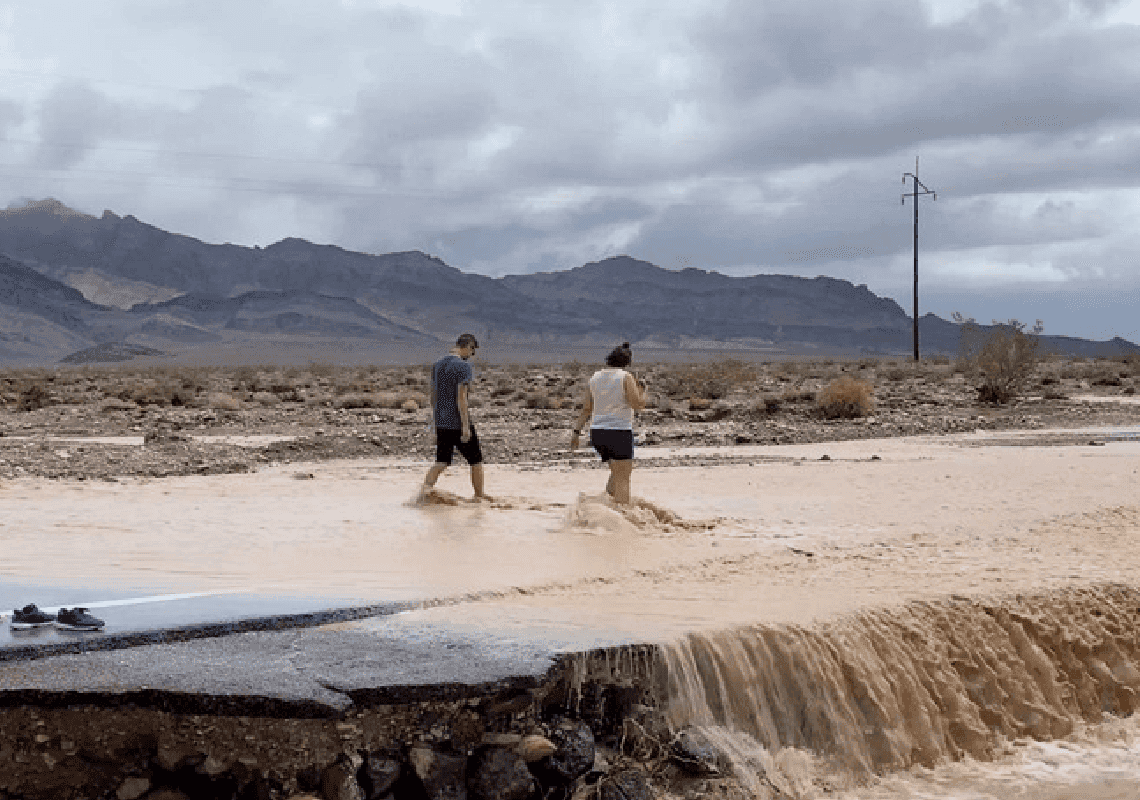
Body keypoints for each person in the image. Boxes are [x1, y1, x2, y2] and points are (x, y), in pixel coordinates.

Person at [570, 342, 647, 505]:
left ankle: (603, 507)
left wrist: (576, 432)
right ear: (627, 363)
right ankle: (622, 522)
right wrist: (643, 391)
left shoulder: (595, 377)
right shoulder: (626, 377)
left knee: (616, 474)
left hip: (597, 433)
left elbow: (586, 409)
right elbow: (637, 405)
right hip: (618, 432)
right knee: (623, 480)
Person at [422, 333, 490, 501]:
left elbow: (433, 395)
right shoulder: (463, 367)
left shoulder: (437, 365)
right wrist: (465, 426)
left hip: (441, 420)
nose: (472, 355)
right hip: (457, 421)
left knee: (441, 461)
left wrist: (435, 421)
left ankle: (424, 492)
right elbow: (462, 398)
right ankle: (479, 497)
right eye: (472, 351)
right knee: (476, 460)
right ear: (468, 346)